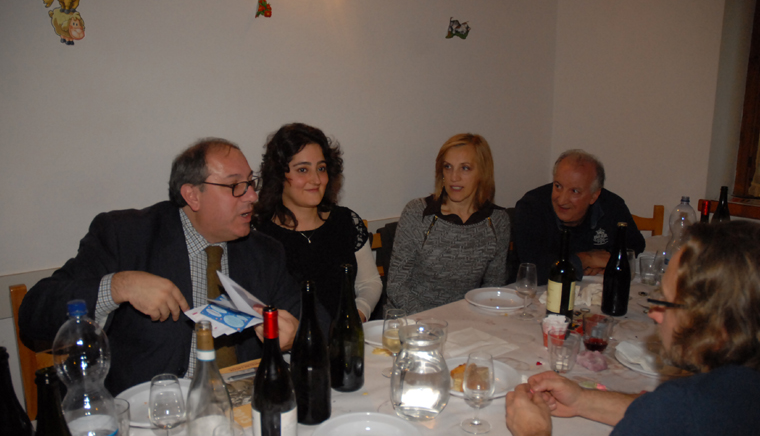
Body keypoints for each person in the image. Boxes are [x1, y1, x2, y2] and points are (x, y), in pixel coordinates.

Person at [19, 138, 330, 395]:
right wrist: (119, 286)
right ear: (192, 195)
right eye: (236, 185)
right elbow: (33, 314)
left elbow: (322, 326)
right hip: (151, 415)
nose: (252, 196)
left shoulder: (264, 252)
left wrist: (296, 335)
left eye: (251, 183)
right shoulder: (125, 236)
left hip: (241, 409)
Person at [505, 220, 760, 436]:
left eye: (665, 302)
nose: (654, 315)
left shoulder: (683, 411)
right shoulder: (735, 393)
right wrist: (582, 400)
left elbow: (674, 419)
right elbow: (675, 421)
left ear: (716, 325)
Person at [253, 123, 382, 321]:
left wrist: (355, 318)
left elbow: (369, 282)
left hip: (345, 335)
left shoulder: (346, 221)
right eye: (302, 169)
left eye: (321, 168)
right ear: (279, 175)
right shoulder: (259, 234)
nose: (316, 179)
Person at [386, 133, 510, 314]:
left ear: (482, 173)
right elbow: (396, 286)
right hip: (413, 318)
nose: (454, 177)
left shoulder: (498, 221)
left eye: (465, 168)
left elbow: (492, 288)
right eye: (448, 167)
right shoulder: (418, 213)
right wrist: (434, 322)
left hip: (467, 320)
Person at [514, 149, 645, 285]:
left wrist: (608, 259)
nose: (562, 200)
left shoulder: (612, 205)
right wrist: (586, 259)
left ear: (594, 196)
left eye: (574, 191)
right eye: (558, 186)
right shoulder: (531, 207)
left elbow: (635, 244)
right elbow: (534, 270)